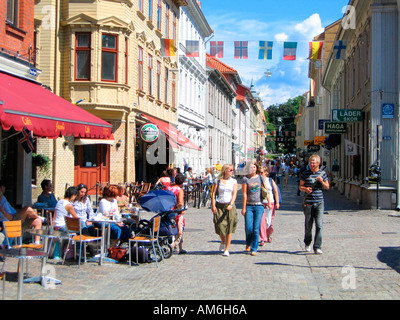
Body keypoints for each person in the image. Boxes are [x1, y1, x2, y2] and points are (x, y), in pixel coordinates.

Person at [299, 154, 330, 254]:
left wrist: (322, 182)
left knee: (319, 225)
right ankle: (307, 243)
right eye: (310, 162)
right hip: (308, 202)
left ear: (318, 163)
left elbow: (327, 187)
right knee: (308, 224)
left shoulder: (322, 174)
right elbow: (300, 186)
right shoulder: (305, 173)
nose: (312, 164)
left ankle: (317, 246)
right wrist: (305, 189)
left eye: (314, 162)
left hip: (319, 202)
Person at [241, 162, 272, 256]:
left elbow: (266, 191)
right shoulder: (245, 179)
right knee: (248, 227)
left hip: (259, 205)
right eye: (251, 167)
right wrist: (243, 207)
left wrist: (269, 202)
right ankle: (248, 243)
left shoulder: (260, 177)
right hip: (249, 206)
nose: (253, 169)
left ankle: (254, 248)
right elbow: (244, 194)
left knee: (256, 228)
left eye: (254, 167)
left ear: (256, 168)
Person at [0, 180, 42, 244]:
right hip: (11, 221)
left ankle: (37, 244)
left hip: (16, 219)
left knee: (38, 221)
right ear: (1, 188)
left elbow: (10, 210)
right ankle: (41, 217)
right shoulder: (2, 201)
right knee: (27, 209)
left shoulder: (3, 199)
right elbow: (8, 217)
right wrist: (3, 211)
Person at [211, 164, 238, 257]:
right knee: (219, 225)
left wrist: (231, 204)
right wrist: (213, 205)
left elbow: (234, 194)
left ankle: (227, 249)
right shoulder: (218, 181)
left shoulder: (234, 181)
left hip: (229, 205)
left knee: (229, 227)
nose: (232, 171)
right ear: (225, 171)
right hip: (219, 205)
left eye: (232, 170)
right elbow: (214, 194)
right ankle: (223, 241)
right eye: (230, 170)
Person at [259, 167, 280, 245]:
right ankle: (262, 238)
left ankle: (269, 234)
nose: (260, 174)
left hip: (271, 202)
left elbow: (275, 191)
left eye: (261, 172)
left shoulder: (270, 180)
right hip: (260, 203)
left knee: (269, 221)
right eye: (259, 172)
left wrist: (277, 202)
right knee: (261, 221)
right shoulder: (257, 180)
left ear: (266, 172)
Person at [167, 174, 186, 254]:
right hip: (175, 212)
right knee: (179, 229)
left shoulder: (169, 188)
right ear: (182, 183)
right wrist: (181, 208)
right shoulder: (179, 190)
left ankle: (179, 248)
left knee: (171, 228)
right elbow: (180, 202)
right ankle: (174, 246)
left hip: (167, 211)